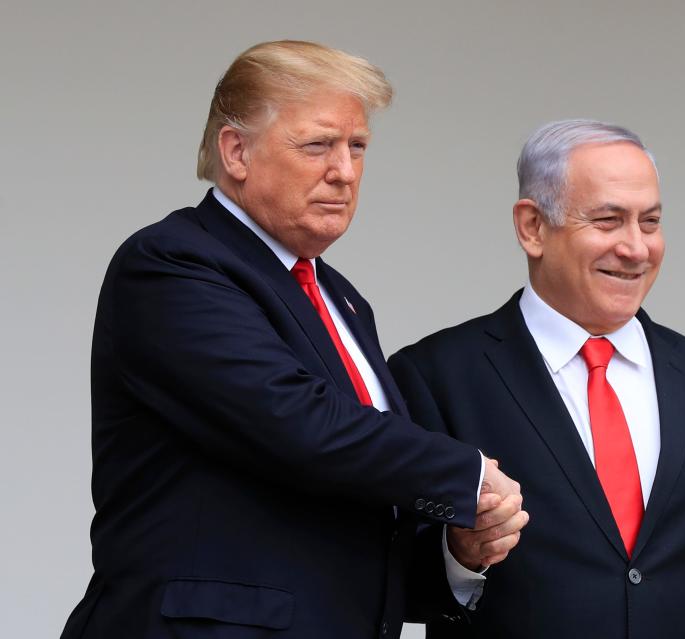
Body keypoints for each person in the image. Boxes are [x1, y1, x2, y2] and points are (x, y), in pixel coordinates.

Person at [59, 40, 526, 639]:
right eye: (317, 145)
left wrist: (456, 551)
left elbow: (351, 512)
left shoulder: (342, 299)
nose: (345, 171)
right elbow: (299, 424)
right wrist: (466, 475)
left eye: (357, 147)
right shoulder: (171, 264)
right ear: (236, 151)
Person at [388, 119, 685, 638]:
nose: (636, 248)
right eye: (608, 220)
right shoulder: (433, 376)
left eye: (650, 222)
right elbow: (388, 578)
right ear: (532, 227)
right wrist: (461, 554)